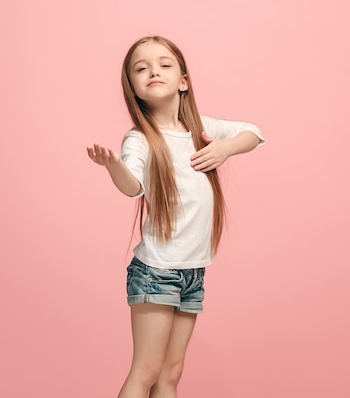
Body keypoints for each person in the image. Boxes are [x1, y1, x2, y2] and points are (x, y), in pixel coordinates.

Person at [86, 36, 264, 398]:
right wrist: (113, 167)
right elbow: (133, 185)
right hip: (156, 272)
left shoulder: (202, 129)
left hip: (193, 271)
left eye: (164, 64)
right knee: (147, 371)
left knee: (171, 373)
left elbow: (255, 133)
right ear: (133, 88)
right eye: (141, 67)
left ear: (183, 80)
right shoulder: (140, 139)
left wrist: (225, 148)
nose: (153, 71)